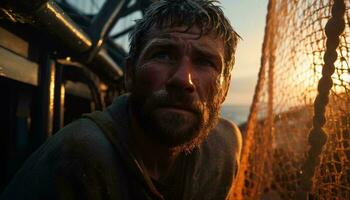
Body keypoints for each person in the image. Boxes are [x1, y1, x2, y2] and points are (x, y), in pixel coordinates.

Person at [1, 0, 242, 199]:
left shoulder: (225, 148)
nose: (183, 79)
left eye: (204, 62)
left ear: (225, 88)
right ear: (129, 74)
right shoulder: (77, 156)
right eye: (163, 54)